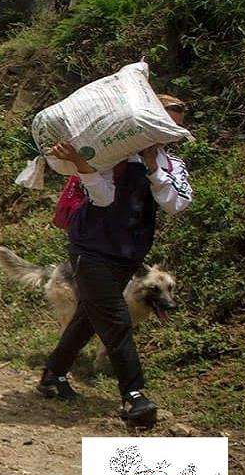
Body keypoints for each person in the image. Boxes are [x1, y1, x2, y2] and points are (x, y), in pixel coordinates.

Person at [40, 94, 192, 428]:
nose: (166, 132)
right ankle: (134, 396)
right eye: (163, 122)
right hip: (90, 248)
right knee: (116, 318)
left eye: (173, 127)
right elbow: (103, 197)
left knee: (89, 318)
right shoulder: (112, 151)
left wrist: (154, 168)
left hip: (129, 253)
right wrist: (83, 165)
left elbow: (176, 204)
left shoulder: (170, 165)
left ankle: (52, 375)